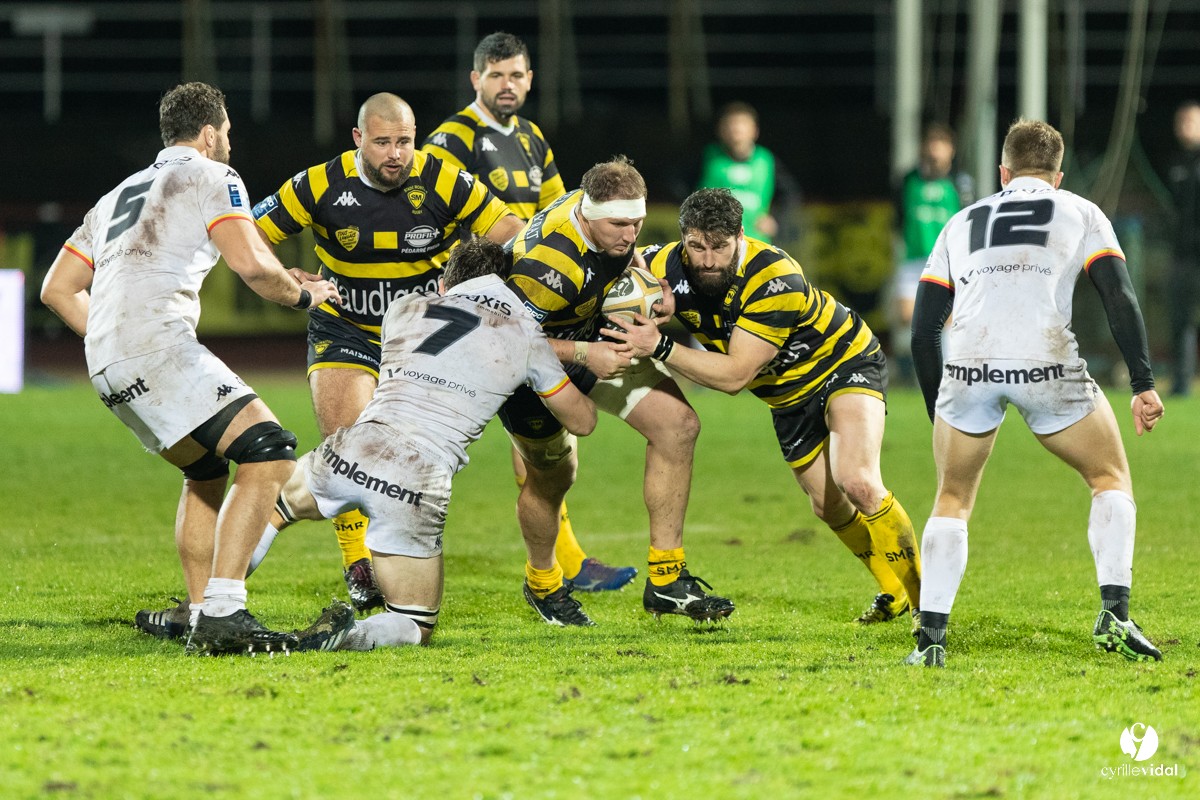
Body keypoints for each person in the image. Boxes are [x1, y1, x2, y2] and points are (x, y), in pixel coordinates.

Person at [39, 81, 345, 655]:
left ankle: (199, 611)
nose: (230, 142)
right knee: (270, 450)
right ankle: (224, 612)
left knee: (205, 471)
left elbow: (57, 289)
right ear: (209, 134)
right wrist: (305, 296)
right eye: (227, 132)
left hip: (106, 364)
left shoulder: (116, 195)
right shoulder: (212, 175)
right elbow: (251, 266)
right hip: (156, 345)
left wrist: (110, 340)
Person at [249, 92, 525, 613]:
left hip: (423, 340)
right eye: (382, 143)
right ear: (358, 139)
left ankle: (397, 559)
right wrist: (284, 275)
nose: (396, 154)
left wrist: (477, 286)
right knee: (345, 444)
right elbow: (249, 234)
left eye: (404, 141)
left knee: (411, 459)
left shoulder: (445, 180)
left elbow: (512, 234)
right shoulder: (318, 184)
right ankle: (359, 564)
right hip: (346, 327)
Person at [251, 238, 598, 648]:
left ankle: (213, 603)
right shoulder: (524, 335)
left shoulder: (403, 308)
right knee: (415, 623)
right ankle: (349, 634)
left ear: (444, 284)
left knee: (268, 510)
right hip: (417, 478)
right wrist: (583, 359)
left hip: (354, 447)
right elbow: (583, 421)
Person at [906, 119, 1165, 667]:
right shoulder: (1081, 211)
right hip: (1045, 362)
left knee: (951, 498)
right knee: (1109, 478)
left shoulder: (960, 220)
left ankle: (930, 642)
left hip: (970, 366)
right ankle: (1114, 616)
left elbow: (925, 328)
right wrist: (1142, 383)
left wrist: (939, 408)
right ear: (1058, 175)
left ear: (1003, 173)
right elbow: (1119, 296)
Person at [604, 188, 922, 629]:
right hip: (785, 397)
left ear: (740, 236)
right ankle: (893, 589)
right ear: (683, 239)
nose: (708, 260)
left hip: (841, 362)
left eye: (719, 247)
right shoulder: (664, 265)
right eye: (696, 247)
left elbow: (735, 376)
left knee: (858, 481)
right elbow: (614, 263)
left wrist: (659, 345)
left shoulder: (774, 277)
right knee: (828, 507)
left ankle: (927, 605)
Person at [421, 31, 636, 593]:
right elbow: (430, 214)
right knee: (427, 438)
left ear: (530, 79)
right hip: (481, 311)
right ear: (476, 79)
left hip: (533, 303)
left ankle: (563, 562)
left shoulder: (533, 138)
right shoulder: (451, 138)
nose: (507, 85)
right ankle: (378, 560)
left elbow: (564, 208)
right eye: (496, 75)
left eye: (516, 75)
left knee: (541, 445)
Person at [502, 156, 735, 625]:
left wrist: (651, 286)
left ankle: (667, 579)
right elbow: (503, 340)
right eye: (619, 226)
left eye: (637, 223)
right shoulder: (550, 266)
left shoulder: (599, 205)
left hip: (591, 337)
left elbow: (627, 252)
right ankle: (543, 583)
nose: (630, 235)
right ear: (588, 215)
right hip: (530, 364)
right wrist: (584, 353)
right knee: (554, 477)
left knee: (678, 425)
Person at [889, 122, 974, 384]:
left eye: (941, 149)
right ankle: (929, 366)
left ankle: (945, 373)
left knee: (944, 318)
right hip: (913, 257)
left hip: (946, 261)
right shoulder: (908, 180)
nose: (935, 155)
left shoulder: (960, 182)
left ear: (950, 151)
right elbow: (898, 216)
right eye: (932, 149)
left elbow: (968, 219)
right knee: (907, 315)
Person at [696, 102, 799, 244]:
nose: (736, 129)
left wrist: (776, 219)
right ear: (720, 130)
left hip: (755, 242)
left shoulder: (766, 160)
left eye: (742, 124)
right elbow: (677, 184)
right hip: (713, 243)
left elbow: (791, 193)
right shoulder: (708, 158)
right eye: (730, 124)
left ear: (754, 131)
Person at [1166, 100, 1200, 397]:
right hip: (1183, 255)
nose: (1184, 127)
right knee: (1181, 320)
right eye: (1181, 122)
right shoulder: (1176, 163)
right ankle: (1181, 383)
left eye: (1190, 121)